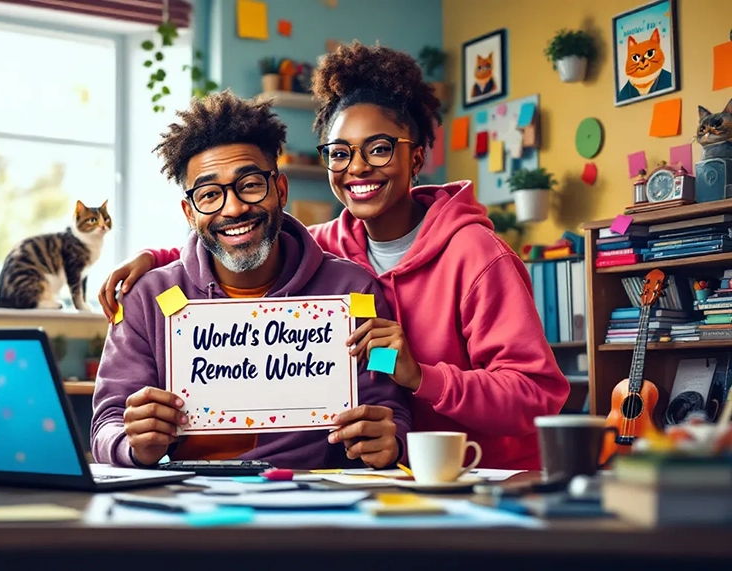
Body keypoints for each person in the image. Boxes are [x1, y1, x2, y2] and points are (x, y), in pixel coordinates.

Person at [97, 42, 570, 470]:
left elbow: (532, 394)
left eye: (379, 149)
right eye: (341, 153)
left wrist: (417, 382)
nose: (358, 167)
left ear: (417, 157)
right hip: (403, 474)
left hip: (484, 471)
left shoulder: (461, 259)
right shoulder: (328, 245)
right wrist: (155, 261)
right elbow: (242, 241)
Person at [91, 90, 411, 470]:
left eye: (251, 185)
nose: (234, 208)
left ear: (281, 190)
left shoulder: (356, 292)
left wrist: (392, 441)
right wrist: (132, 443)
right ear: (190, 214)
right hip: (185, 493)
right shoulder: (145, 301)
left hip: (309, 491)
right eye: (209, 194)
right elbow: (107, 422)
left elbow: (389, 403)